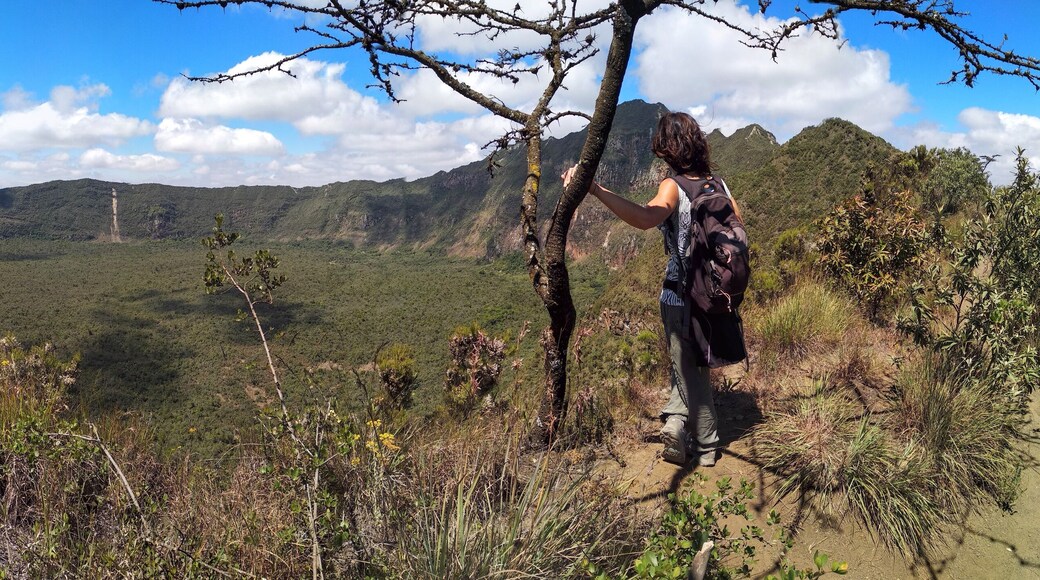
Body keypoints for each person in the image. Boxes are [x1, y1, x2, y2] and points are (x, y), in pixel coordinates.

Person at [562, 111, 743, 467]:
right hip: (714, 291)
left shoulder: (673, 186)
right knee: (689, 362)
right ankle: (676, 422)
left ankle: (706, 447)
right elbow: (737, 229)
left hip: (679, 294)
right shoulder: (718, 184)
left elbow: (647, 217)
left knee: (691, 368)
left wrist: (595, 189)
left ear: (669, 149)